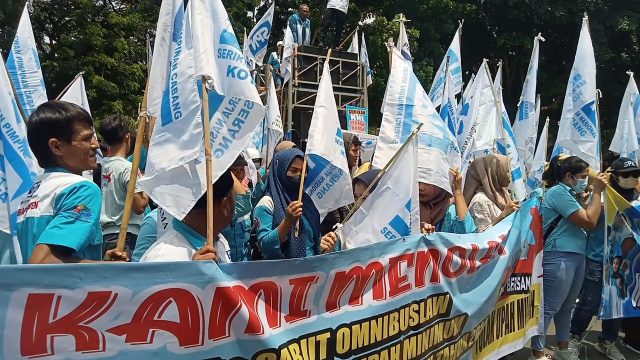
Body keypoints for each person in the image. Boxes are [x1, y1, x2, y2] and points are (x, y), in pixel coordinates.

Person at [17, 101, 127, 263]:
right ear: (56, 147)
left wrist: (100, 262)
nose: (96, 145)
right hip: (59, 288)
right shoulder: (81, 189)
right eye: (86, 138)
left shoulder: (33, 193)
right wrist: (107, 269)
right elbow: (43, 261)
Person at [529, 155, 608, 360]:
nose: (585, 180)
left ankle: (562, 349)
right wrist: (598, 191)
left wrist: (589, 199)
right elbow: (589, 221)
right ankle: (537, 353)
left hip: (576, 254)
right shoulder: (557, 193)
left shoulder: (572, 194)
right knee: (549, 306)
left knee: (567, 307)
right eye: (582, 176)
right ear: (568, 176)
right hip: (558, 254)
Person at [569, 157, 639, 360]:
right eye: (626, 175)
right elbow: (587, 221)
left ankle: (607, 342)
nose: (632, 178)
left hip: (623, 262)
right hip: (597, 257)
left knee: (617, 302)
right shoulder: (600, 196)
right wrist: (595, 192)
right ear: (614, 177)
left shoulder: (636, 198)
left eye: (636, 174)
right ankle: (573, 338)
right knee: (590, 302)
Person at [253, 148, 337, 259]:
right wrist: (287, 221)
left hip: (310, 271)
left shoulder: (308, 203)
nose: (299, 175)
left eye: (303, 171)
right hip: (282, 274)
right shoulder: (267, 203)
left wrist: (322, 244)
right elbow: (265, 247)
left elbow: (308, 242)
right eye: (293, 170)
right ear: (281, 171)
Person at [140, 170, 235, 262]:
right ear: (226, 206)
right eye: (235, 197)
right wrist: (191, 275)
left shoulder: (220, 242)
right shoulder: (162, 259)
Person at [99, 115, 149, 256]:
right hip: (124, 236)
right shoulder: (129, 168)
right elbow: (139, 206)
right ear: (127, 137)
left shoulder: (98, 166)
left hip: (102, 235)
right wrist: (147, 186)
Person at [463, 154, 520, 232]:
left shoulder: (503, 194)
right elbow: (481, 236)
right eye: (507, 171)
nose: (510, 176)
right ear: (496, 173)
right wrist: (503, 215)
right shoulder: (479, 201)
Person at [420, 169, 476, 234]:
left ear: (440, 184)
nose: (421, 187)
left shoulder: (451, 211)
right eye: (418, 182)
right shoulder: (410, 208)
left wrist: (458, 192)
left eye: (427, 183)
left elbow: (468, 234)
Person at [221, 156, 253, 262]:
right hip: (225, 268)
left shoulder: (248, 192)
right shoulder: (218, 202)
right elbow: (243, 206)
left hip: (244, 266)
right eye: (232, 170)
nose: (238, 174)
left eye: (241, 170)